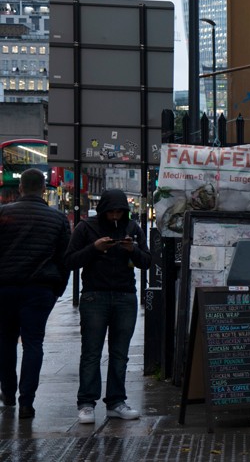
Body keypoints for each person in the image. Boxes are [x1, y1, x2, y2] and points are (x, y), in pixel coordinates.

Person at [64, 189, 151, 425]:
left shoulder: (132, 228)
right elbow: (70, 260)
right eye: (111, 211)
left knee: (120, 353)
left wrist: (132, 250)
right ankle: (86, 403)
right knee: (91, 352)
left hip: (125, 296)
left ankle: (116, 402)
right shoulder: (86, 228)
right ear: (103, 210)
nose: (115, 216)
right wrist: (95, 248)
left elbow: (147, 262)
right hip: (95, 295)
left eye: (119, 212)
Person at [0, 169, 71, 420]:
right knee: (33, 344)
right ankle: (27, 402)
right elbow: (65, 260)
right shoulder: (58, 219)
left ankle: (7, 392)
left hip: (5, 288)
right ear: (44, 188)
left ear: (20, 188)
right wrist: (56, 290)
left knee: (6, 341)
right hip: (40, 289)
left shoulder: (3, 213)